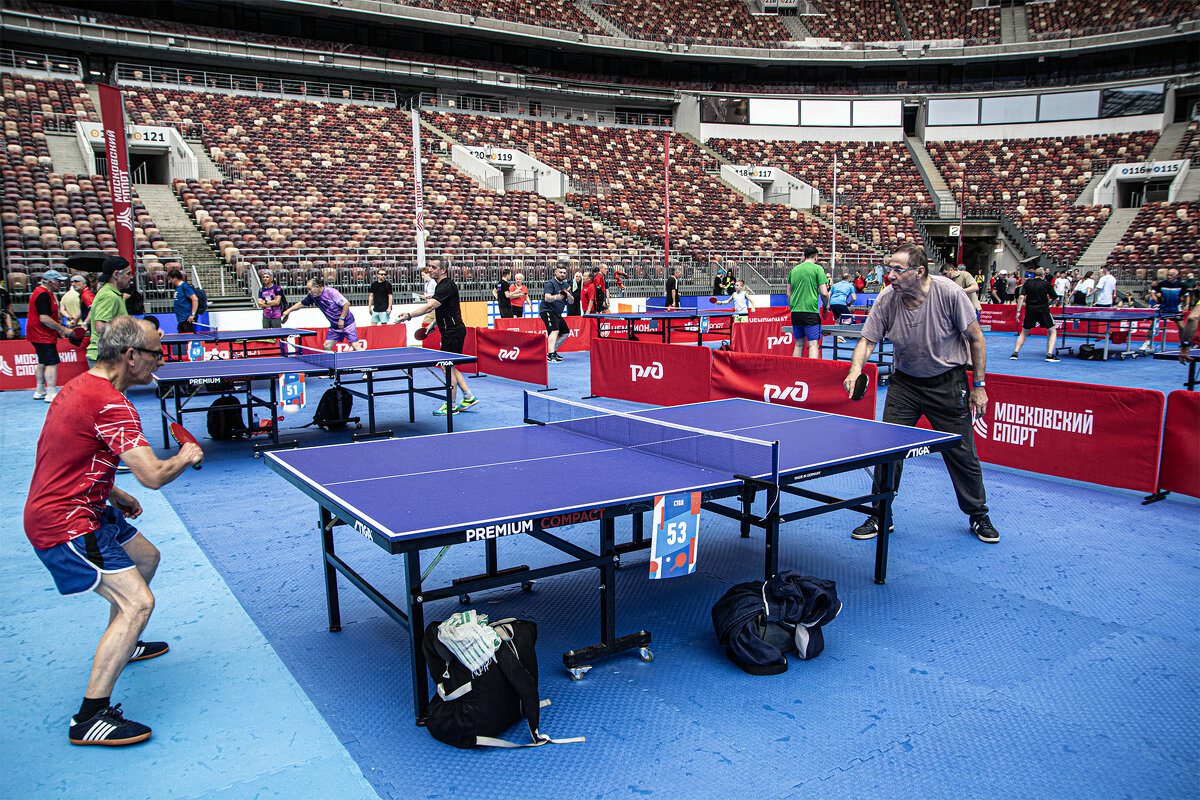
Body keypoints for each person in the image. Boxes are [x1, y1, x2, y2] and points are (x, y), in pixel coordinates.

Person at [23, 316, 204, 747]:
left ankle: (127, 642)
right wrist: (186, 455)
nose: (159, 363)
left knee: (146, 558)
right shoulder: (112, 404)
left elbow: (67, 456)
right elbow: (154, 475)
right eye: (156, 355)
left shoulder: (79, 386)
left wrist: (112, 492)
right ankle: (90, 717)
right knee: (138, 604)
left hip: (88, 503)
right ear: (130, 355)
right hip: (64, 520)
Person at [842, 243, 999, 545]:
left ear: (919, 271)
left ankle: (978, 514)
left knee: (962, 452)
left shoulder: (950, 293)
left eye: (897, 270)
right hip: (906, 384)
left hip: (948, 382)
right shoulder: (887, 299)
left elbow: (976, 339)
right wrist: (854, 370)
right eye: (889, 268)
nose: (890, 275)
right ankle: (880, 513)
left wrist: (978, 387)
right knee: (888, 449)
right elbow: (867, 340)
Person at [398, 259, 478, 415]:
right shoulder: (443, 286)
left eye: (434, 267)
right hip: (452, 330)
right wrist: (433, 324)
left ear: (443, 270)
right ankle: (468, 396)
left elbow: (430, 306)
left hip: (452, 332)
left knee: (446, 367)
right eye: (430, 267)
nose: (430, 270)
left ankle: (451, 405)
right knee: (451, 366)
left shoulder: (445, 286)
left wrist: (409, 315)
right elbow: (446, 309)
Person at [280, 276, 365, 351]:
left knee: (356, 346)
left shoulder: (331, 292)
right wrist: (288, 311)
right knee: (327, 346)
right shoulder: (313, 296)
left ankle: (367, 363)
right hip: (334, 326)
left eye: (310, 289)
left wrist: (341, 319)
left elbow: (346, 304)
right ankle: (337, 365)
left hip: (347, 323)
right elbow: (301, 303)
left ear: (317, 287)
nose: (309, 292)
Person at [27, 269, 74, 402]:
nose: (60, 283)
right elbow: (44, 318)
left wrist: (57, 329)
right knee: (51, 363)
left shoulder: (46, 293)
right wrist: (63, 329)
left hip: (39, 334)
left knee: (42, 361)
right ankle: (51, 393)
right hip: (42, 334)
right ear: (50, 281)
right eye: (58, 281)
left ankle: (40, 390)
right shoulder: (43, 295)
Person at [1009, 267, 1061, 362]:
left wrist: (1018, 311)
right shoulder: (1047, 284)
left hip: (1030, 310)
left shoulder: (1027, 283)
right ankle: (1049, 355)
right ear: (1043, 275)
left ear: (1034, 275)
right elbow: (1056, 299)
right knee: (1052, 331)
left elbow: (1021, 297)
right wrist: (1048, 304)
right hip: (1043, 310)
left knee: (1024, 332)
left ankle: (1015, 353)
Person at [87, 256, 132, 365]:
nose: (131, 277)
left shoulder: (113, 294)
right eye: (128, 273)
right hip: (105, 357)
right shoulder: (109, 296)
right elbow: (100, 327)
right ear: (116, 274)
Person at [788, 245, 830, 359]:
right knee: (812, 345)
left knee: (798, 345)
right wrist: (826, 305)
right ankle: (812, 374)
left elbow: (788, 293)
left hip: (796, 313)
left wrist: (793, 308)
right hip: (810, 312)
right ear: (816, 257)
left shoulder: (793, 270)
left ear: (804, 256)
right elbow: (824, 293)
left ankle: (795, 372)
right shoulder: (818, 269)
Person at [541, 264, 574, 362]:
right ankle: (550, 355)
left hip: (557, 313)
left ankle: (552, 351)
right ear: (556, 272)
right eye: (560, 272)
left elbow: (571, 301)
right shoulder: (550, 283)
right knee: (554, 330)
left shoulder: (566, 285)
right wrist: (556, 297)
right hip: (547, 310)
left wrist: (568, 294)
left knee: (565, 332)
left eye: (564, 273)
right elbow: (547, 298)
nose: (562, 274)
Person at [167, 269, 199, 333]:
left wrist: (193, 315)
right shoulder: (177, 288)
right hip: (181, 319)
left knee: (190, 338)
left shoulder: (185, 287)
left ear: (175, 278)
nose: (169, 281)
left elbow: (195, 299)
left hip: (187, 318)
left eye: (170, 278)